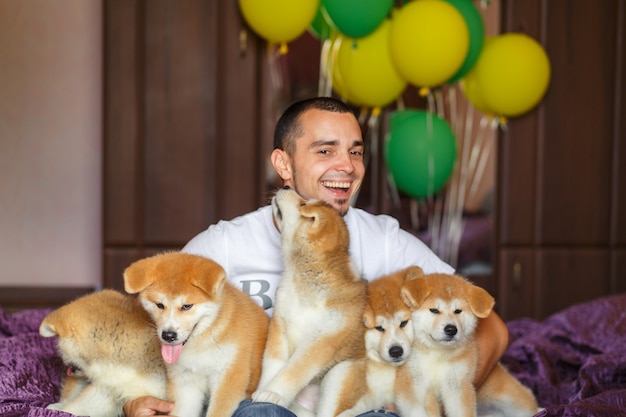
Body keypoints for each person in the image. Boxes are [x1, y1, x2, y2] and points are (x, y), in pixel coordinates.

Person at [124, 97, 509, 417]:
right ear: (284, 165)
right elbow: (150, 328)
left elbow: (490, 326)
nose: (347, 166)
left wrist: (428, 402)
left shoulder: (385, 241)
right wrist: (131, 401)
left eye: (355, 152)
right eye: (326, 150)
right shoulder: (224, 245)